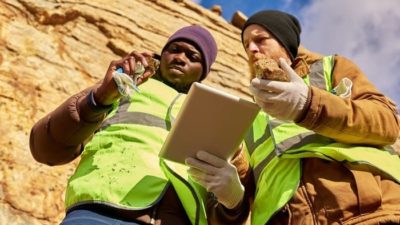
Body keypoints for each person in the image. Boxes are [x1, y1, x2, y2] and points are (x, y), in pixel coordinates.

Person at [186, 10, 400, 225]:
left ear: (284, 41)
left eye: (260, 40)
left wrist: (309, 104)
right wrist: (231, 202)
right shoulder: (248, 118)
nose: (251, 49)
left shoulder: (330, 68)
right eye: (246, 45)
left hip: (371, 215)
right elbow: (234, 211)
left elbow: (387, 123)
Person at [29, 25, 247, 225]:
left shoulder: (215, 117)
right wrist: (98, 99)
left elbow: (226, 213)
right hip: (96, 213)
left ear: (203, 72)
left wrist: (233, 201)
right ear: (162, 55)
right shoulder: (123, 86)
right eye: (174, 49)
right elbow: (45, 149)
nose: (180, 58)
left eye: (193, 56)